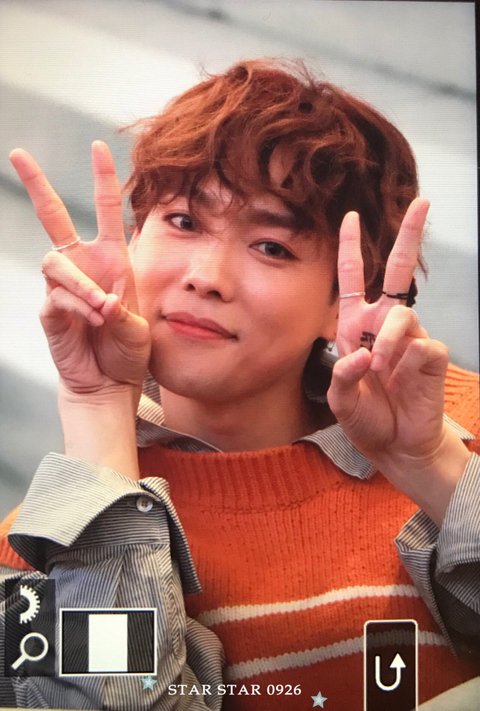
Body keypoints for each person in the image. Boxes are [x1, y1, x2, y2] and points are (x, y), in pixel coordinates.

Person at [0, 58, 479, 710]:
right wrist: (97, 404)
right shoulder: (46, 549)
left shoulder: (452, 424)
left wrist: (430, 465)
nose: (207, 276)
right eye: (184, 221)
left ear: (345, 297)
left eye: (272, 247)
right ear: (134, 239)